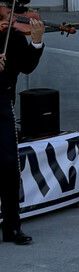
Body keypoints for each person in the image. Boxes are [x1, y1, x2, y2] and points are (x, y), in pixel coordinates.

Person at [0, 14, 45, 245]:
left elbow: (26, 66)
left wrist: (36, 42)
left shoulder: (13, 36)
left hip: (1, 101)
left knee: (8, 164)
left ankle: (12, 227)